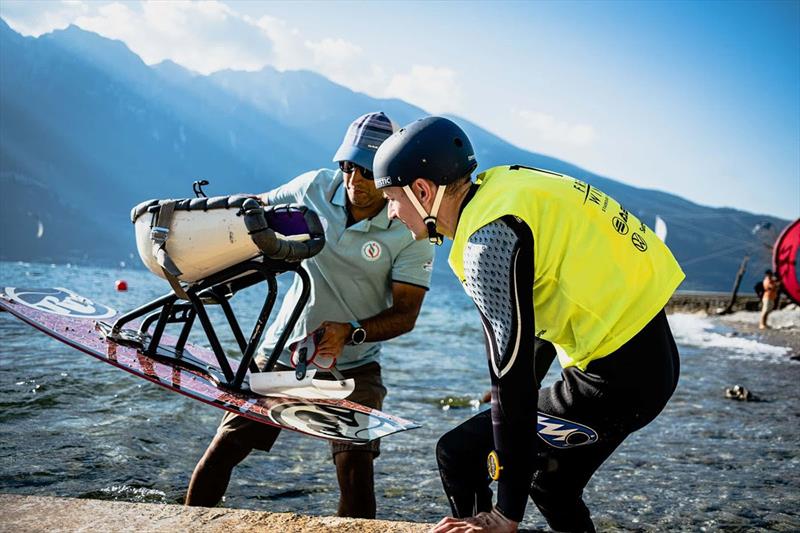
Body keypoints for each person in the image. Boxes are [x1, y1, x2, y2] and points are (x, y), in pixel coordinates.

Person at [372, 116, 685, 532]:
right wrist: (521, 390)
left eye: (392, 198)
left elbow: (510, 377)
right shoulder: (505, 188)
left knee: (459, 454)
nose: (391, 212)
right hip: (649, 358)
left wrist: (506, 514)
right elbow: (545, 307)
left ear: (423, 190)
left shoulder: (487, 241)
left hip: (617, 380)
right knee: (552, 483)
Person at [185, 112, 434, 518]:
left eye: (367, 173)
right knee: (227, 445)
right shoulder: (314, 187)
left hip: (356, 366)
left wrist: (350, 332)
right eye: (348, 168)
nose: (354, 182)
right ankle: (185, 526)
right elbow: (251, 211)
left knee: (355, 467)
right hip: (282, 353)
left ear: (389, 174)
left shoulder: (408, 225)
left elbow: (406, 315)